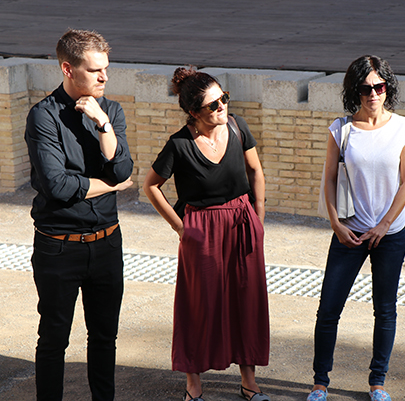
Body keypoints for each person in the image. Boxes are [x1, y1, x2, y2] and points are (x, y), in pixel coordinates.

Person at [143, 66, 269, 401]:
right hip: (202, 229)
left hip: (242, 222)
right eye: (213, 105)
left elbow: (255, 171)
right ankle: (193, 385)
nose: (222, 106)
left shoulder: (238, 127)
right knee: (198, 305)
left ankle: (249, 382)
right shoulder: (179, 145)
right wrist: (181, 227)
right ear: (194, 112)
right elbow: (151, 186)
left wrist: (258, 218)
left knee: (246, 301)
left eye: (223, 98)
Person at [24, 29, 134, 401]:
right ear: (68, 69)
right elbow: (57, 186)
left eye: (106, 68)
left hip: (107, 243)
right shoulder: (43, 116)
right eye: (95, 70)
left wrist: (102, 123)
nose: (104, 77)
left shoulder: (111, 111)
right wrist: (111, 185)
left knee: (104, 337)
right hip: (58, 247)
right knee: (54, 338)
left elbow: (122, 169)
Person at [307, 55, 405, 401]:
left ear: (387, 88)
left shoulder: (403, 127)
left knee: (385, 310)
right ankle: (320, 383)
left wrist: (384, 225)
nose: (373, 94)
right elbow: (329, 179)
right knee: (329, 309)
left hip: (390, 235)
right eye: (365, 88)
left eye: (379, 87)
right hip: (349, 233)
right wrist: (336, 224)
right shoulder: (341, 129)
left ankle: (377, 383)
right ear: (354, 91)